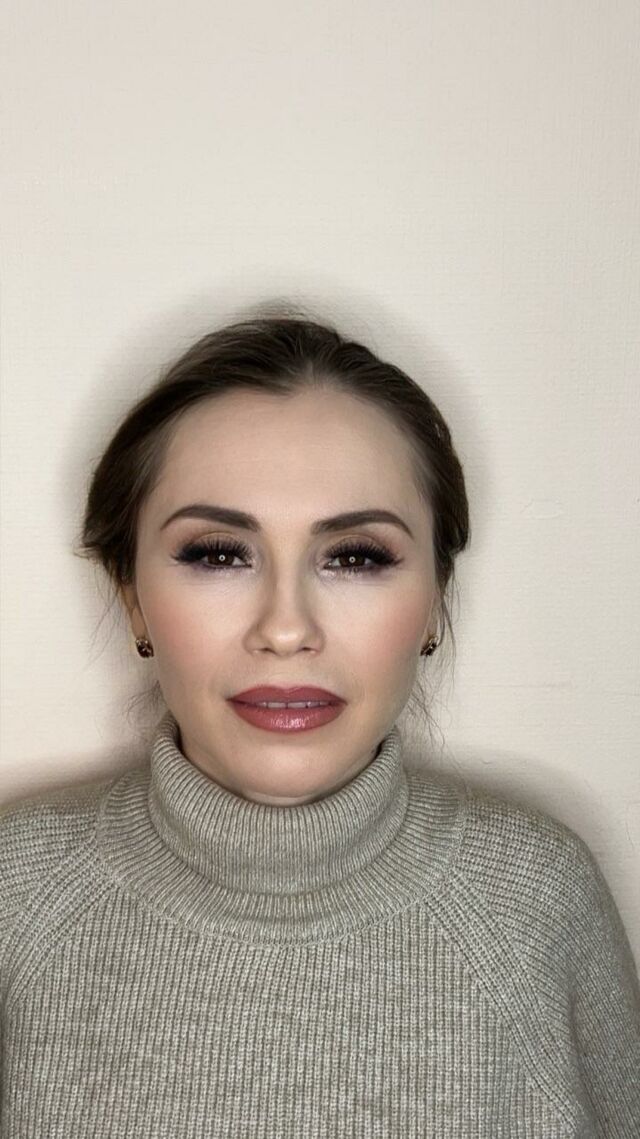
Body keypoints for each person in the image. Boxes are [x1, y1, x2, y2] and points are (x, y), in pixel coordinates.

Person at [1, 314, 638, 1137]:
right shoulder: (17, 896)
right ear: (132, 597)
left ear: (435, 602)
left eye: (357, 556)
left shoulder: (537, 900)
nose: (285, 627)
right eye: (217, 552)